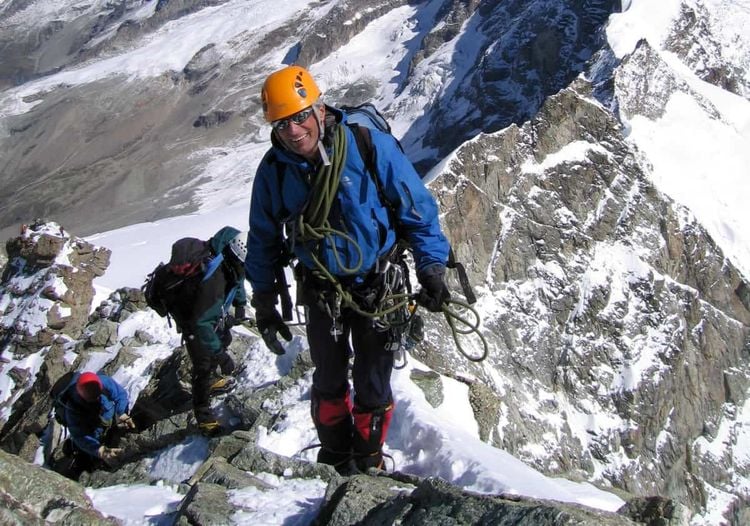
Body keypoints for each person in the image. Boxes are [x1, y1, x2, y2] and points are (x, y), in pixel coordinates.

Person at [246, 65, 451, 473]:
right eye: (282, 122)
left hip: (379, 283)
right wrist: (265, 298)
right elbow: (263, 238)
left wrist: (432, 267)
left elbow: (417, 212)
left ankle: (369, 458)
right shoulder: (275, 171)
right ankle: (336, 458)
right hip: (322, 287)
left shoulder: (367, 146)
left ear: (320, 110)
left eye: (300, 116)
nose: (293, 130)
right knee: (328, 379)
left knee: (373, 381)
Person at [171, 226, 249, 434]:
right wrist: (221, 356)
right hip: (192, 320)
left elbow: (238, 277)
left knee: (223, 337)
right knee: (203, 363)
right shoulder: (214, 282)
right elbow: (201, 324)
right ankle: (204, 418)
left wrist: (240, 303)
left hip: (203, 313)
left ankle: (212, 380)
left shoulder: (230, 260)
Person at [61, 371, 134, 477]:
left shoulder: (104, 382)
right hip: (91, 434)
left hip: (108, 420)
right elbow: (80, 436)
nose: (96, 399)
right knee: (87, 461)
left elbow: (120, 394)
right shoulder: (72, 408)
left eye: (98, 396)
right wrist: (100, 450)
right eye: (92, 399)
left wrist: (121, 412)